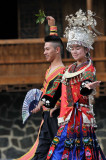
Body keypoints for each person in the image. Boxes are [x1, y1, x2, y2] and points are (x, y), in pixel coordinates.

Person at [36, 10, 106, 160]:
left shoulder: (88, 68)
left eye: (78, 48)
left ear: (86, 49)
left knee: (77, 152)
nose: (74, 51)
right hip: (66, 115)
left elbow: (84, 86)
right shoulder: (69, 69)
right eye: (72, 48)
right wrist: (47, 101)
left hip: (79, 117)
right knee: (60, 151)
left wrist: (86, 88)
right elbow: (58, 90)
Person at [16, 16, 65, 160]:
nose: (44, 52)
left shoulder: (62, 72)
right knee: (41, 154)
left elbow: (51, 91)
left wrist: (40, 104)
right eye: (44, 49)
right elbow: (55, 43)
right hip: (47, 118)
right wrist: (53, 27)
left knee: (59, 153)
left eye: (46, 49)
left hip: (56, 118)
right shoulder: (50, 68)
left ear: (56, 51)